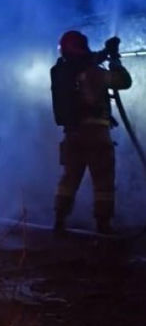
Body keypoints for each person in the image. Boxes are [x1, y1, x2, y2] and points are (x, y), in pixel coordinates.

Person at [51, 31, 132, 234]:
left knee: (69, 179)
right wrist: (115, 61)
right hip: (96, 134)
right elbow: (124, 81)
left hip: (72, 135)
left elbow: (87, 60)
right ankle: (103, 224)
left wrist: (105, 52)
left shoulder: (62, 72)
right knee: (103, 181)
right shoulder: (93, 72)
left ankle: (59, 220)